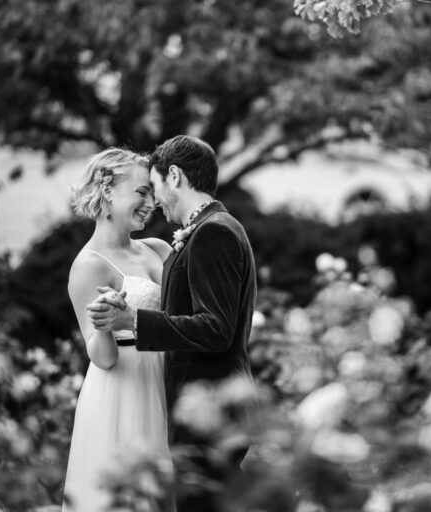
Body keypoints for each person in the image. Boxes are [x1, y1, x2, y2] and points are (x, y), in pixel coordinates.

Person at [86, 135, 257, 511]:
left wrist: (133, 319)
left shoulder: (213, 233)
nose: (155, 200)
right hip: (202, 407)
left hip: (209, 409)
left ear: (174, 176)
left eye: (156, 185)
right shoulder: (213, 228)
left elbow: (215, 328)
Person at [61, 148, 174, 512]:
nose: (150, 203)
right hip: (123, 387)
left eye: (152, 193)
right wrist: (106, 327)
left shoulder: (158, 249)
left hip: (166, 377)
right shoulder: (88, 265)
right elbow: (102, 358)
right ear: (107, 189)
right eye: (141, 192)